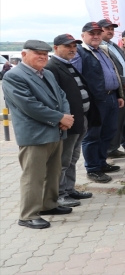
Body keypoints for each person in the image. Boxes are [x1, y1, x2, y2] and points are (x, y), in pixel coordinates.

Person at [3, 40, 75, 229]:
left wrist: (65, 117)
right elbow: (29, 106)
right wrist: (60, 117)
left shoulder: (47, 73)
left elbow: (62, 95)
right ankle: (27, 215)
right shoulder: (14, 76)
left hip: (55, 131)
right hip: (35, 134)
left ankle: (48, 205)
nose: (42, 57)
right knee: (33, 176)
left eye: (45, 54)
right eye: (37, 53)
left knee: (53, 172)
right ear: (24, 54)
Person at [45, 34, 99, 207]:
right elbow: (53, 97)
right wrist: (62, 118)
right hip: (67, 121)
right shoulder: (52, 67)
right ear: (55, 48)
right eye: (67, 46)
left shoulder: (68, 65)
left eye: (74, 46)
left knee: (73, 157)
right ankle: (59, 194)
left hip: (80, 119)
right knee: (62, 160)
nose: (72, 49)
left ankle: (69, 189)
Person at [71, 22, 124, 183]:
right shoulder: (80, 52)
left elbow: (113, 73)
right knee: (93, 135)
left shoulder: (102, 50)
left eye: (97, 33)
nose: (95, 36)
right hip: (95, 101)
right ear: (83, 36)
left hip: (111, 97)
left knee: (108, 132)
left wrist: (118, 94)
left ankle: (101, 163)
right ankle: (93, 168)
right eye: (91, 33)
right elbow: (75, 78)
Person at [98, 19, 125, 158]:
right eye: (106, 28)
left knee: (119, 121)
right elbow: (107, 70)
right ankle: (108, 150)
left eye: (112, 29)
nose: (110, 31)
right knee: (111, 122)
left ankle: (113, 148)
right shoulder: (99, 47)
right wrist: (124, 80)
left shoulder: (114, 45)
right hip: (113, 89)